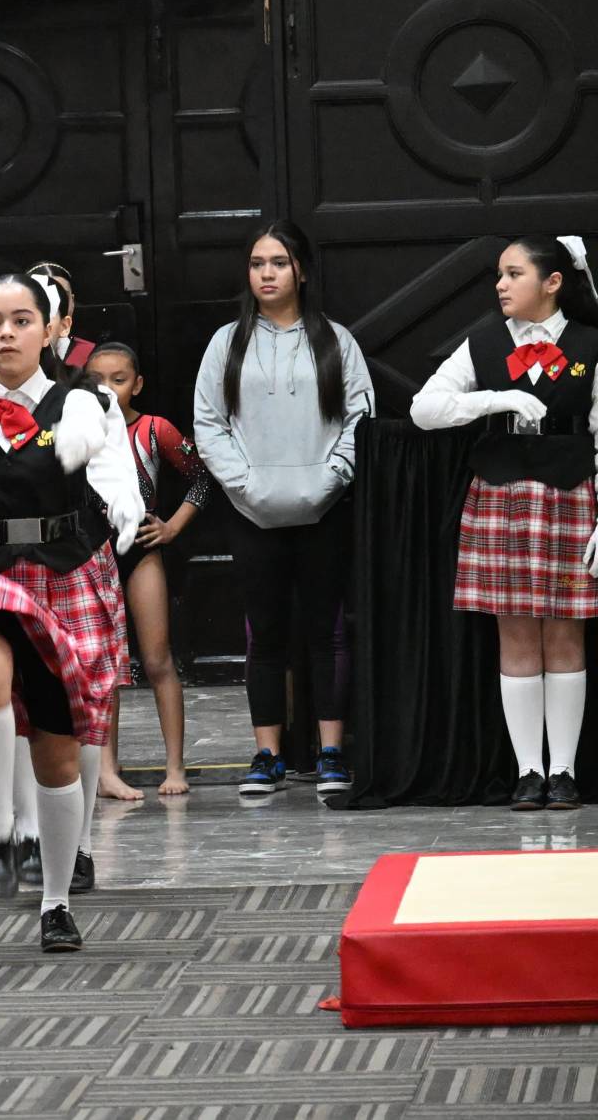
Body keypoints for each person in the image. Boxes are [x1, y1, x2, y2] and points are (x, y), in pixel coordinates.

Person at [0, 275, 143, 954]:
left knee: (60, 747)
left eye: (20, 320)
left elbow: (120, 494)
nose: (4, 333)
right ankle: (1, 828)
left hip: (68, 572)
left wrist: (102, 476)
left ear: (49, 330)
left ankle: (57, 898)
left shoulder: (88, 400)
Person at [410, 235, 598, 811]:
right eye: (499, 274)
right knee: (515, 634)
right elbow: (424, 410)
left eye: (513, 273)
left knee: (565, 632)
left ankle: (563, 772)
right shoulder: (484, 343)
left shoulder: (590, 344)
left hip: (570, 500)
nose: (500, 284)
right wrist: (496, 400)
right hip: (500, 500)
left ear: (553, 282)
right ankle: (527, 771)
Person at [193, 220, 374, 799]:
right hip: (252, 511)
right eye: (256, 263)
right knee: (264, 635)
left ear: (301, 270)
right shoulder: (227, 342)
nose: (265, 273)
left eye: (277, 262)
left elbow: (358, 419)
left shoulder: (335, 340)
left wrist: (331, 479)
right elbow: (208, 424)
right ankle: (267, 755)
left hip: (324, 508)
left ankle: (329, 752)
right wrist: (244, 486)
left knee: (328, 633)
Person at [87, 342, 208, 798]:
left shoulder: (155, 429)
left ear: (137, 384)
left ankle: (175, 765)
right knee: (105, 666)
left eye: (119, 380)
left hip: (140, 546)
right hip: (94, 552)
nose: (109, 390)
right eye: (97, 381)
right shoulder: (77, 432)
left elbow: (202, 476)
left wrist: (174, 525)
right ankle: (107, 769)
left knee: (157, 659)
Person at [28, 261, 98, 373]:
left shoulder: (93, 357)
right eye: (43, 296)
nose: (55, 305)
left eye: (63, 295)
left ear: (72, 301)